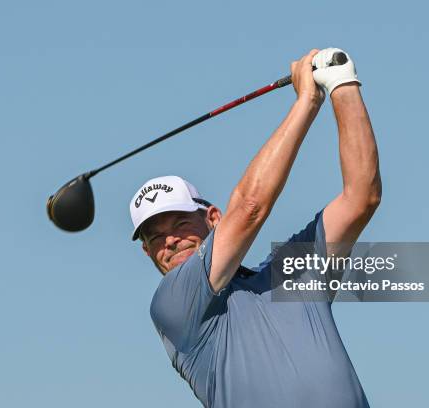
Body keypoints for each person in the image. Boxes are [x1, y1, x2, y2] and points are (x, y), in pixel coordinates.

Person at [129, 48, 381, 408]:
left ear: (213, 219)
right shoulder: (171, 304)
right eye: (156, 237)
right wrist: (307, 101)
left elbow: (362, 198)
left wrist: (342, 82)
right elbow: (249, 208)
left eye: (181, 223)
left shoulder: (286, 273)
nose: (170, 240)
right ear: (148, 253)